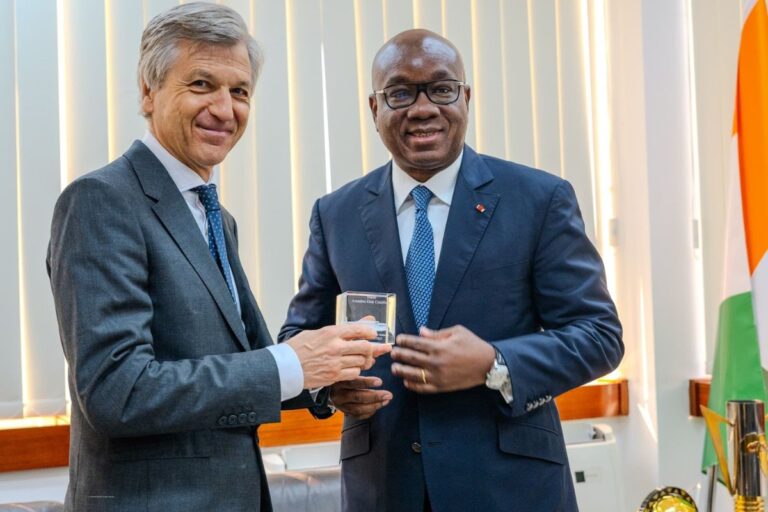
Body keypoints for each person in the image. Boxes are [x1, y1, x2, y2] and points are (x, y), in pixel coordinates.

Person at [46, 3, 388, 511]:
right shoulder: (101, 200)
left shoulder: (214, 216)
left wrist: (323, 383)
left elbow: (237, 362)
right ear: (148, 90)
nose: (225, 110)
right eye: (202, 84)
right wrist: (291, 363)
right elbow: (118, 392)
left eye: (240, 91)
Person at [278, 29, 623, 511]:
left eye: (441, 89)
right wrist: (328, 387)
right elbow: (300, 335)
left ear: (466, 97)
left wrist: (491, 362)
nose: (423, 108)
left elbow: (599, 335)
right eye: (400, 92)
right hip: (383, 488)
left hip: (509, 489)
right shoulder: (335, 213)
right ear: (374, 108)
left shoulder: (539, 199)